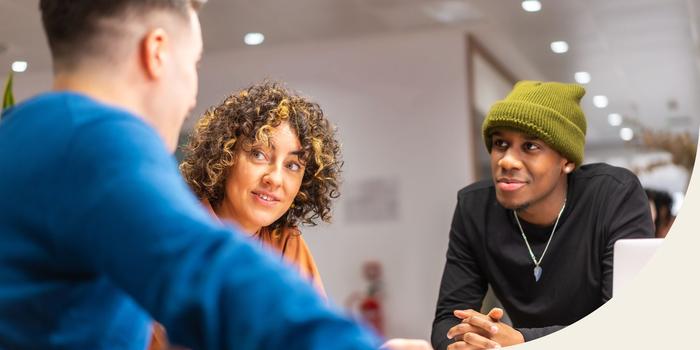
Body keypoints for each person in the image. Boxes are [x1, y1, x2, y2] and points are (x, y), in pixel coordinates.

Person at [0, 1, 431, 349]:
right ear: (158, 53)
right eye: (195, 63)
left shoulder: (17, 134)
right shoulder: (98, 142)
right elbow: (208, 276)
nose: (190, 96)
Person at [431, 81, 654, 350]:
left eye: (530, 146)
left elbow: (627, 324)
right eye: (501, 143)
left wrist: (522, 341)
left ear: (567, 161)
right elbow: (448, 319)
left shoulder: (613, 194)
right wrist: (468, 343)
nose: (506, 161)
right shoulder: (474, 207)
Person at [180, 82, 338, 296]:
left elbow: (315, 327)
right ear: (224, 157)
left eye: (292, 165)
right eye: (258, 154)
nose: (275, 178)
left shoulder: (286, 244)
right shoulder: (179, 237)